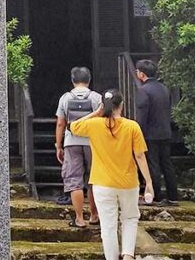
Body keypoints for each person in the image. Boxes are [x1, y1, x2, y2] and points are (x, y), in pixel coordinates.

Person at [70, 89, 154, 260]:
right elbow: (139, 155)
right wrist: (149, 182)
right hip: (128, 182)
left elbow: (73, 127)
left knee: (107, 225)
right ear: (121, 105)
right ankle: (128, 255)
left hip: (102, 183)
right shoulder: (132, 126)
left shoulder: (94, 125)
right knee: (130, 218)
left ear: (104, 106)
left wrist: (96, 113)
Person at [55, 66, 102, 227]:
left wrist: (58, 145)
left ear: (73, 80)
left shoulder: (65, 98)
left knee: (74, 180)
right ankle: (94, 215)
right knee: (93, 179)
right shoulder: (97, 98)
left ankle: (79, 218)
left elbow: (61, 123)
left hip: (72, 142)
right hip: (92, 143)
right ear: (89, 80)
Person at [134, 59, 178, 205]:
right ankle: (173, 196)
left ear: (141, 74)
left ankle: (156, 195)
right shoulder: (164, 88)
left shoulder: (143, 91)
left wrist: (138, 133)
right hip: (165, 131)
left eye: (138, 71)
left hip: (150, 133)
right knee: (167, 163)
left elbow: (142, 116)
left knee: (153, 164)